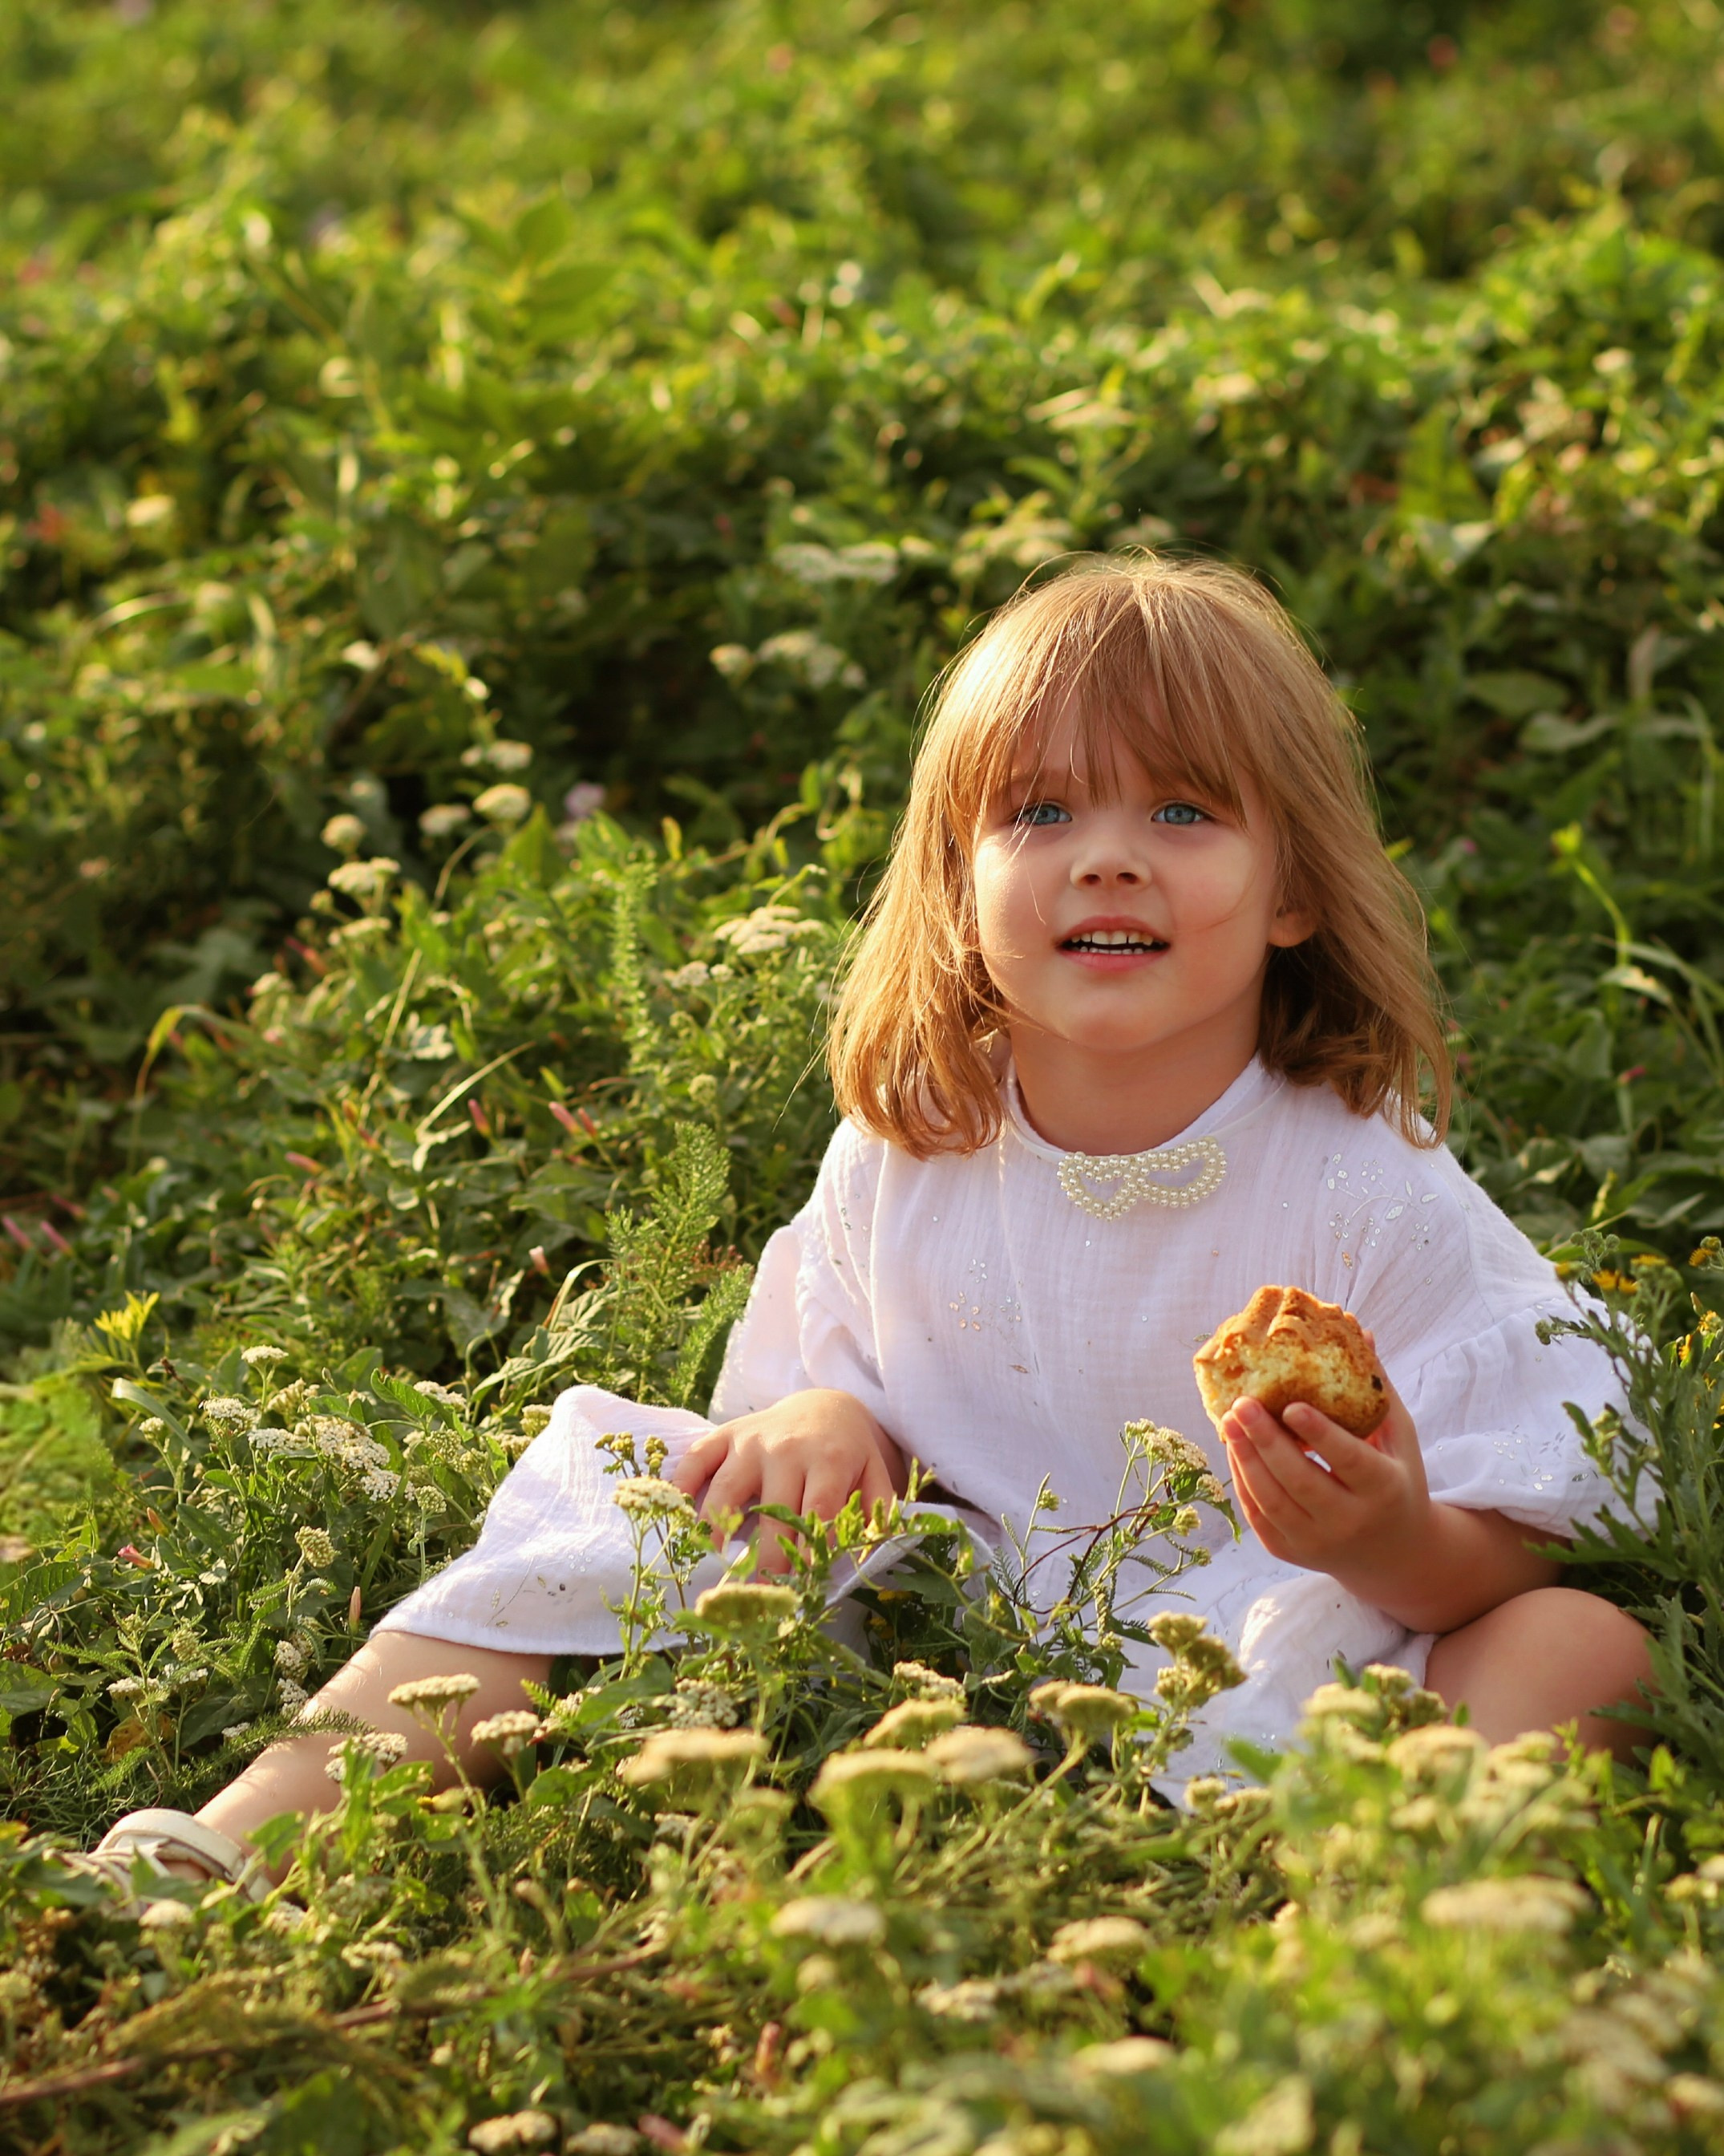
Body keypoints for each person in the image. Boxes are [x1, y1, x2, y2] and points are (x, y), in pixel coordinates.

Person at [81, 554, 1654, 1897]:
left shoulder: (1357, 1180)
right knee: (620, 1486)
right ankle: (231, 1853)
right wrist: (827, 1421)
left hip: (1263, 1650)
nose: (1108, 851)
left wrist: (1387, 1537)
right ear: (961, 887)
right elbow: (807, 1395)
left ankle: (1352, 1955)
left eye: (1183, 809)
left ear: (1293, 888)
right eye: (1040, 811)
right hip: (927, 1632)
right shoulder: (914, 1145)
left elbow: (1501, 1537)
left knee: (1579, 1651)